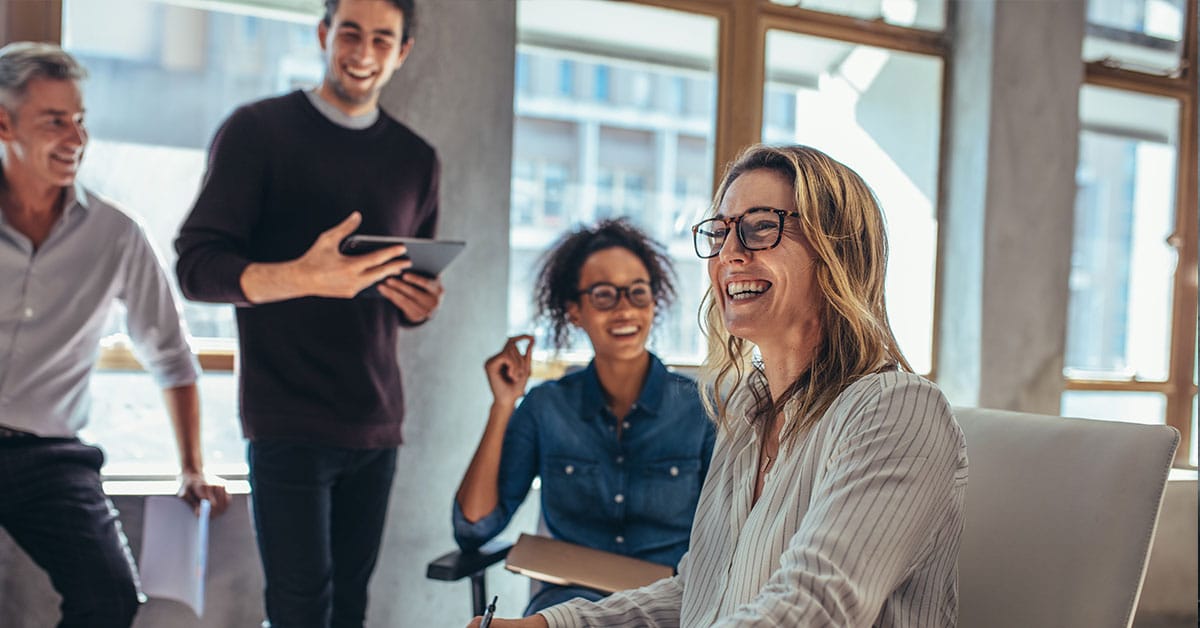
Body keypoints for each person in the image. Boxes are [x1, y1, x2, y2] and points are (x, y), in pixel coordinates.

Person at [469, 144, 969, 628]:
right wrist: (552, 625)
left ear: (836, 250)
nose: (728, 253)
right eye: (721, 233)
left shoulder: (897, 410)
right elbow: (698, 594)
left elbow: (813, 612)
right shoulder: (745, 412)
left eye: (759, 228)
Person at [173, 0, 442, 626]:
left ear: (402, 52)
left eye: (383, 38)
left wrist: (418, 305)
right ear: (324, 34)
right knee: (299, 609)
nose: (363, 50)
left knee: (349, 607)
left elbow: (401, 291)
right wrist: (302, 275)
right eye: (349, 31)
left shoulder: (416, 158)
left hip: (376, 420)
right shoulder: (257, 131)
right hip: (286, 418)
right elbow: (196, 268)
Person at [0, 42, 230, 628]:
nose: (75, 137)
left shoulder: (117, 235)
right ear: (4, 123)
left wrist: (193, 466)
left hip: (49, 456)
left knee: (110, 599)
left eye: (80, 120)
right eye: (55, 121)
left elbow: (172, 356)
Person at [453, 219, 716, 615]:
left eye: (638, 293)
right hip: (566, 609)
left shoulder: (702, 409)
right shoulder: (546, 408)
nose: (625, 308)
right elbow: (474, 526)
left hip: (669, 608)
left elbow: (732, 537)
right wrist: (503, 404)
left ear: (654, 303)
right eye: (604, 295)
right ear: (574, 311)